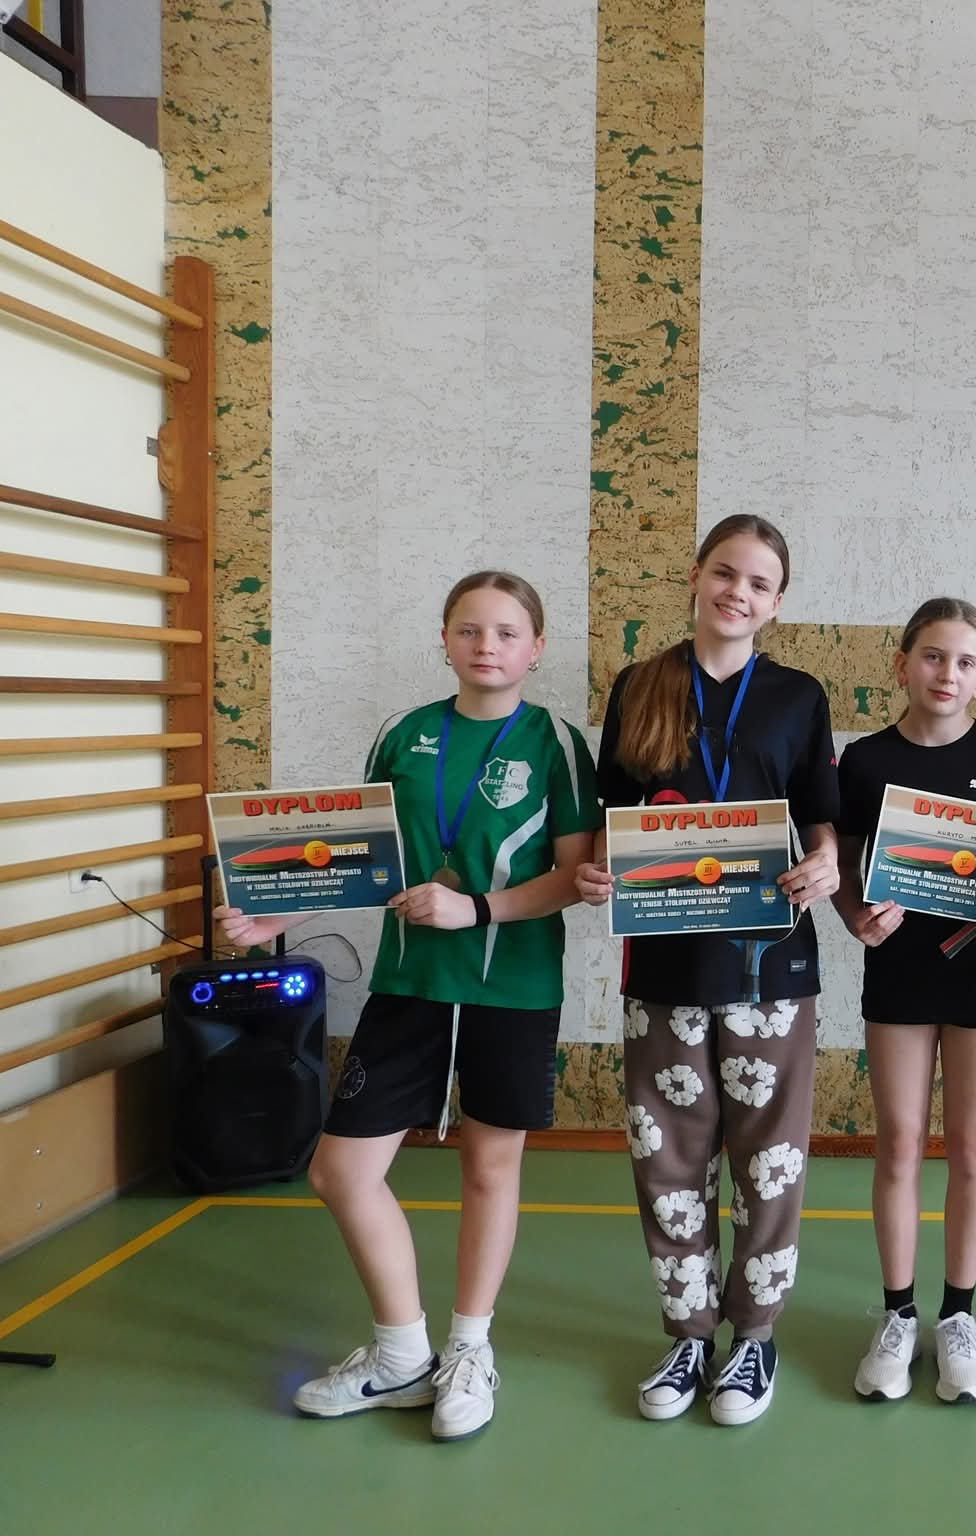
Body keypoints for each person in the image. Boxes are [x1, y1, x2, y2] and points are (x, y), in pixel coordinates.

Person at [222, 570, 598, 1441]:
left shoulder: (557, 742)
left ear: (536, 648)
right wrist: (276, 913)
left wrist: (477, 910)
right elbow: (364, 858)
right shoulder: (404, 733)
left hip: (512, 987)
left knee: (489, 1169)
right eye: (469, 629)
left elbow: (573, 876)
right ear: (445, 639)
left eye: (506, 632)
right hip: (409, 985)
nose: (486, 645)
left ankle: (470, 1349)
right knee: (341, 1172)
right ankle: (400, 1356)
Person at [576, 514, 841, 1427]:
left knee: (770, 1162)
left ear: (778, 603)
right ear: (695, 576)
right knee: (668, 1158)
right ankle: (688, 1336)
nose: (738, 592)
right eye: (726, 572)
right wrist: (598, 869)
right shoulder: (640, 683)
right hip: (664, 960)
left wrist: (827, 861)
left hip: (771, 962)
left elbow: (820, 816)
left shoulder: (799, 695)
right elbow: (612, 818)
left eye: (759, 582)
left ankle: (753, 1340)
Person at [833, 597, 976, 1405]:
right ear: (902, 664)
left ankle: (959, 1317)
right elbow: (841, 860)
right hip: (899, 973)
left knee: (971, 1144)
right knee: (897, 1142)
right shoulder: (865, 760)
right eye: (931, 656)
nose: (946, 673)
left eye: (963, 662)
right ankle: (898, 1316)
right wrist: (853, 914)